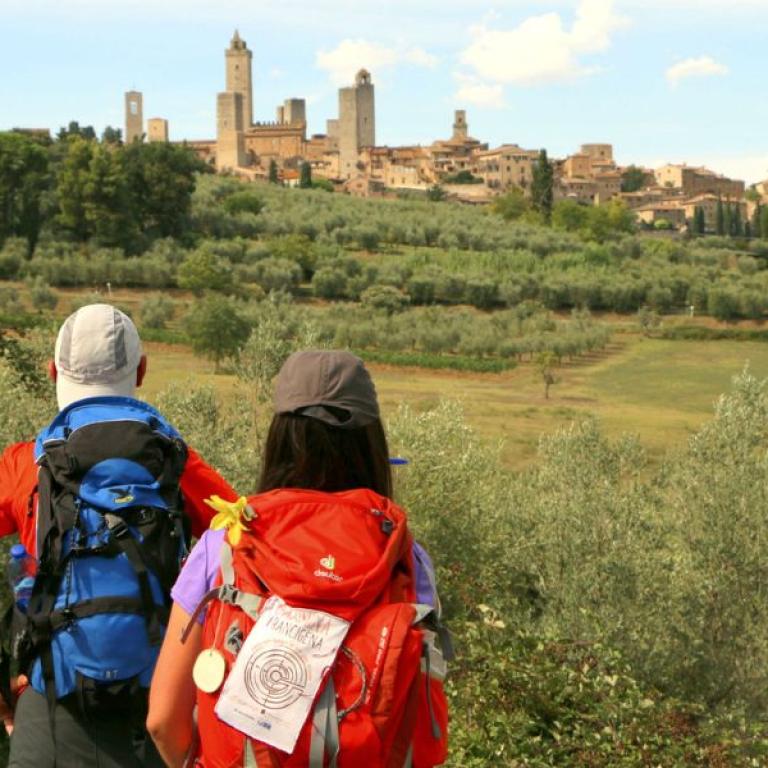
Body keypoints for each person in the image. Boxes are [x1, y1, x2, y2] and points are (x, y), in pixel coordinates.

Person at [147, 349, 449, 768]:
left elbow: (163, 720)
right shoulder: (406, 557)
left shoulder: (226, 542)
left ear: (279, 438)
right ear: (372, 444)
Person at [0, 303, 235, 768]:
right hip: (156, 714)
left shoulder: (25, 465)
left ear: (52, 372)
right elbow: (246, 542)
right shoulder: (177, 467)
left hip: (50, 709)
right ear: (141, 371)